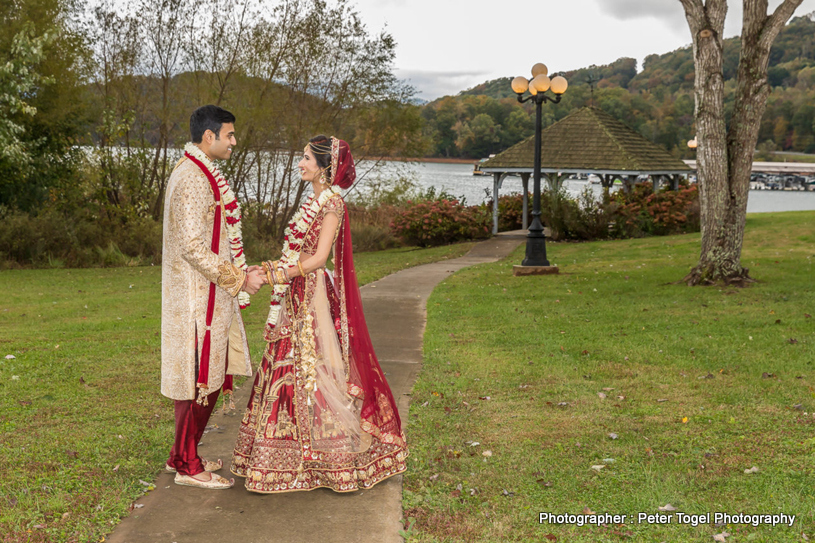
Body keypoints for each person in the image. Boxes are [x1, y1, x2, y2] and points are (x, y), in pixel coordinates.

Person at [231, 135, 408, 493]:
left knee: (311, 367)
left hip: (312, 296)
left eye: (307, 158)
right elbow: (299, 254)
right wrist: (270, 270)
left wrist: (275, 274)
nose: (300, 163)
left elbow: (318, 259)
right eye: (302, 157)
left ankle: (327, 458)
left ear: (325, 166)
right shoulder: (314, 200)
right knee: (285, 364)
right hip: (298, 290)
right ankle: (281, 455)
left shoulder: (332, 204)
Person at [161, 105, 265, 490]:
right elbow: (190, 245)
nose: (234, 142)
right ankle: (188, 467)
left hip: (208, 293)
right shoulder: (191, 177)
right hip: (196, 299)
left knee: (208, 374)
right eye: (230, 135)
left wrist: (236, 275)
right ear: (210, 137)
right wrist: (238, 278)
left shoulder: (198, 171)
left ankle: (181, 456)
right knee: (198, 378)